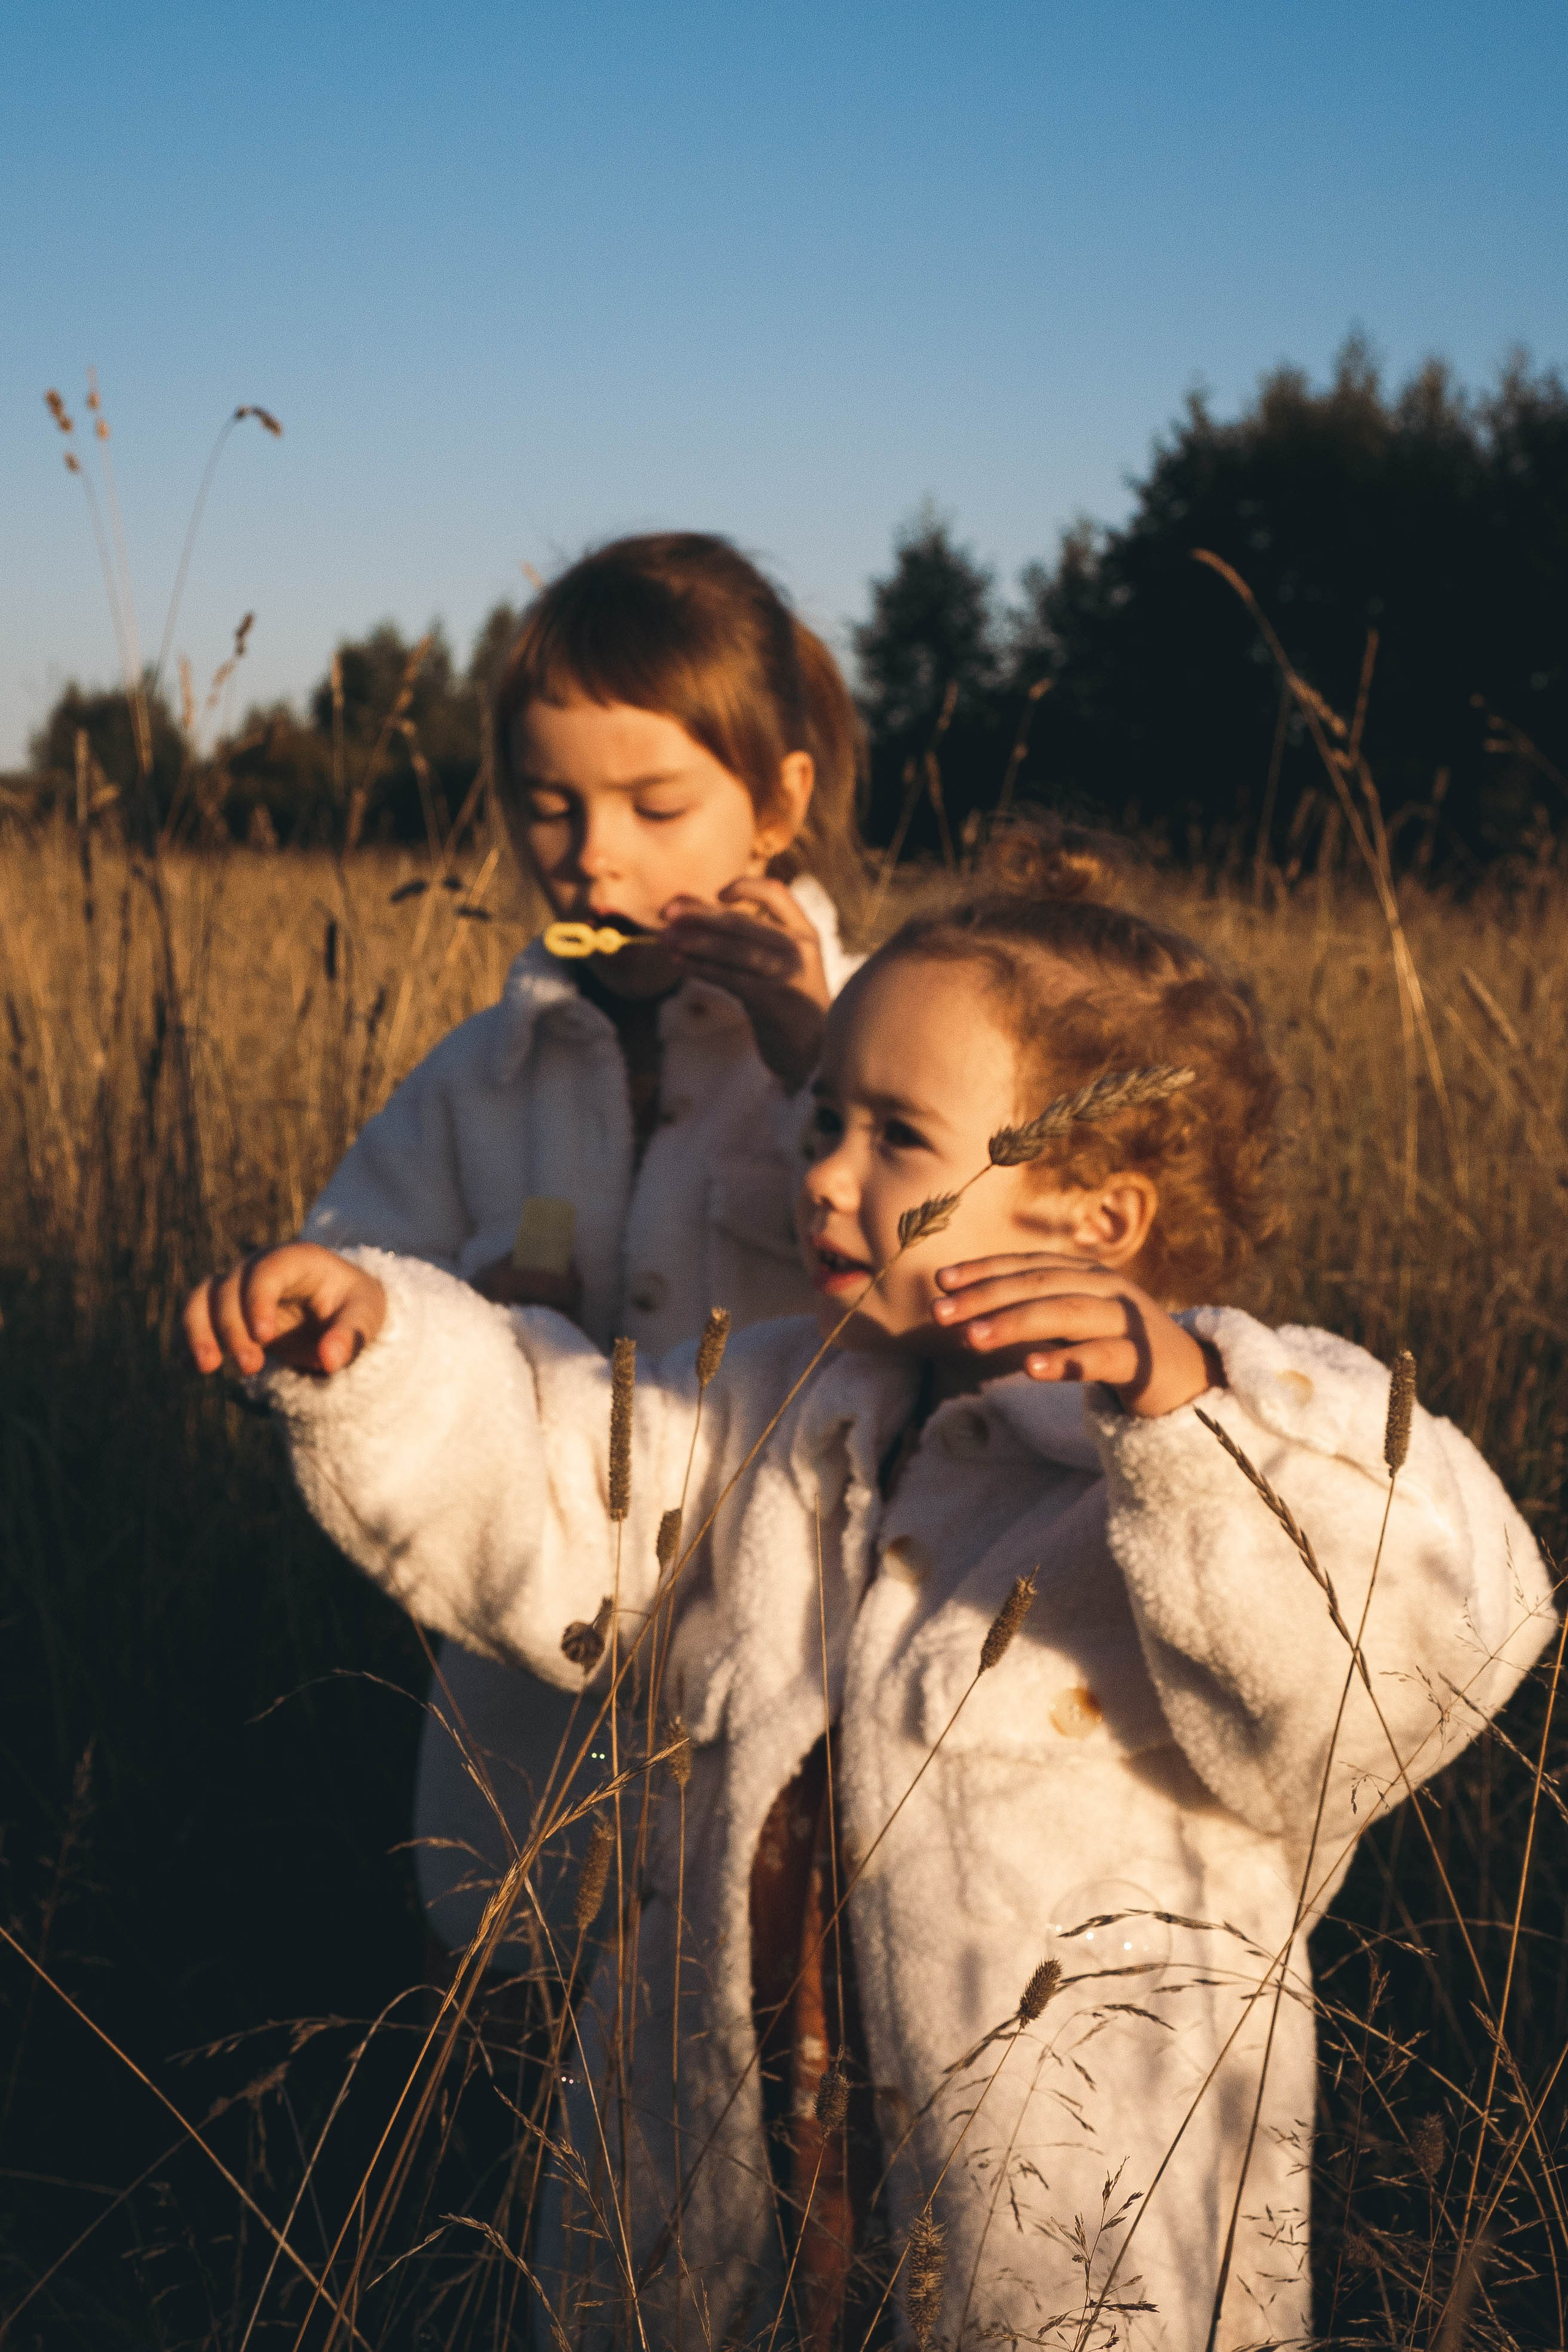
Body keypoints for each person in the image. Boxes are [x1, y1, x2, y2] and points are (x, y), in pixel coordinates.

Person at [186, 882, 1553, 2350]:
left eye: (894, 1134)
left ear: (1096, 1212)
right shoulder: (783, 1398)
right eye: (820, 1115)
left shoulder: (1231, 1440)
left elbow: (1408, 1647)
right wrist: (388, 1349)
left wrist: (1183, 1417)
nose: (822, 1173)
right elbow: (568, 1468)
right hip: (735, 2176)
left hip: (1068, 2228)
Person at [300, 533, 868, 1964]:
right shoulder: (484, 1076)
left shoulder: (877, 1039)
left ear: (778, 802)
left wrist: (819, 1065)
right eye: (548, 805)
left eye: (654, 804)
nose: (593, 852)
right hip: (526, 1734)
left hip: (799, 1707)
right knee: (533, 2051)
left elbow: (960, 1279)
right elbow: (360, 1265)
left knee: (763, 2081)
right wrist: (348, 1323)